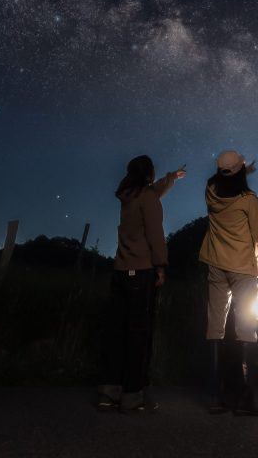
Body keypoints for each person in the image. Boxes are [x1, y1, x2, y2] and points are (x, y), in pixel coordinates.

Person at [97, 155, 186, 414]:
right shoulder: (147, 198)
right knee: (138, 335)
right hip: (141, 271)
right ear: (148, 173)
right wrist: (161, 265)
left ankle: (109, 391)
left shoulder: (129, 196)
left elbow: (153, 191)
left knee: (116, 332)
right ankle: (132, 395)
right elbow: (155, 233)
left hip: (120, 271)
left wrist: (172, 177)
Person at [198, 149, 258, 416]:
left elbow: (220, 179)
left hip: (215, 264)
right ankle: (245, 400)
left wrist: (239, 171)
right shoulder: (248, 200)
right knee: (246, 330)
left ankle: (215, 398)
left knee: (215, 328)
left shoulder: (210, 192)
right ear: (240, 172)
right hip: (242, 267)